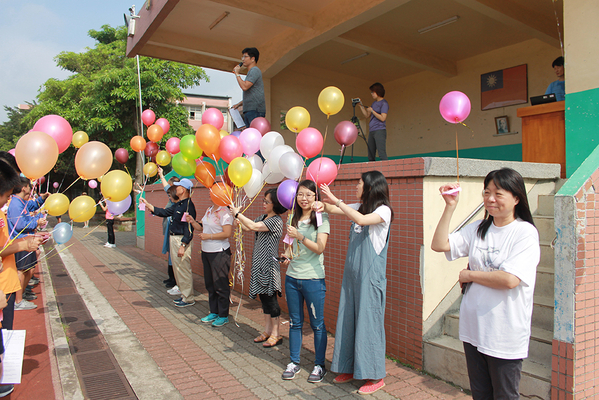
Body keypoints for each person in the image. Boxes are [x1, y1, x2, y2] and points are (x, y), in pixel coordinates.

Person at [431, 168, 540, 399]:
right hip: (474, 330)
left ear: (517, 198)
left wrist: (470, 275)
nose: (490, 199)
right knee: (480, 394)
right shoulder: (479, 229)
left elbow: (510, 279)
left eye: (498, 194)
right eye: (487, 192)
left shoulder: (524, 233)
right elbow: (440, 245)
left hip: (504, 333)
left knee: (504, 395)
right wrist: (450, 207)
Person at [316, 171, 393, 395]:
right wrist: (323, 205)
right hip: (352, 276)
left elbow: (359, 220)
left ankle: (376, 376)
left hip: (370, 278)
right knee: (348, 319)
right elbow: (335, 209)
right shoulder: (360, 207)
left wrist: (336, 200)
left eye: (359, 183)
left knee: (369, 323)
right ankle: (350, 368)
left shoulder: (383, 211)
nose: (356, 187)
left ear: (370, 186)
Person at [280, 180, 330, 383]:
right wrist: (285, 255)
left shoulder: (321, 218)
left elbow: (320, 248)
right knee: (295, 322)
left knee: (317, 325)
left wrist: (300, 236)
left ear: (316, 197)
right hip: (292, 278)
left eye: (309, 195)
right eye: (301, 194)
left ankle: (319, 365)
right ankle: (294, 362)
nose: (304, 198)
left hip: (313, 279)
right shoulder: (292, 217)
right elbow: (289, 245)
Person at [230, 188, 286, 347]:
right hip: (258, 263)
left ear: (275, 204)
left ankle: (276, 333)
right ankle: (267, 330)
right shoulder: (263, 217)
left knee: (271, 299)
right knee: (264, 299)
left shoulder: (276, 220)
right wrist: (239, 221)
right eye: (264, 200)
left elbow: (254, 227)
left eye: (266, 201)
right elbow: (249, 227)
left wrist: (237, 214)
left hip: (269, 264)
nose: (263, 203)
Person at [140, 178, 197, 307]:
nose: (175, 188)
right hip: (174, 238)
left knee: (183, 269)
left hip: (181, 240)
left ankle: (188, 298)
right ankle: (184, 295)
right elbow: (164, 212)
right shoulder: (178, 204)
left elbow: (189, 228)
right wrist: (148, 204)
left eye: (178, 187)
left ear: (183, 189)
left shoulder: (188, 206)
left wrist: (183, 245)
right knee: (177, 269)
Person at [186, 198, 233, 327]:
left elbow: (227, 233)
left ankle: (223, 315)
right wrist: (192, 221)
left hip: (219, 251)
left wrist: (209, 237)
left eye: (212, 192)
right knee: (210, 283)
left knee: (220, 283)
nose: (210, 195)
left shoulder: (225, 212)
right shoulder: (209, 210)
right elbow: (201, 227)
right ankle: (214, 311)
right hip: (206, 251)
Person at [7, 177, 48, 310]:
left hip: (27, 240)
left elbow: (31, 206)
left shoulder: (21, 202)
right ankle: (18, 301)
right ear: (24, 188)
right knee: (22, 270)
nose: (31, 189)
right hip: (21, 242)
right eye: (30, 187)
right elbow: (20, 225)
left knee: (28, 270)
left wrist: (42, 199)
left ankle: (21, 295)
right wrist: (36, 222)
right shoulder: (15, 204)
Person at [157, 167, 180, 289]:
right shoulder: (172, 198)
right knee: (170, 254)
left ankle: (174, 280)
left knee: (173, 255)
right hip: (169, 229)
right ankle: (171, 278)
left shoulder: (176, 199)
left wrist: (161, 175)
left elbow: (166, 188)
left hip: (173, 230)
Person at [232, 47, 266, 128]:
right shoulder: (251, 72)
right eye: (242, 57)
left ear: (252, 59)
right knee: (251, 136)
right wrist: (239, 104)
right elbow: (252, 95)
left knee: (254, 136)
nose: (243, 59)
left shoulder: (254, 70)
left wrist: (237, 74)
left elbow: (244, 87)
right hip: (250, 110)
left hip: (255, 110)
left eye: (245, 56)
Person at [359, 83, 389, 161]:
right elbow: (366, 115)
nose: (371, 94)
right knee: (371, 154)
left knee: (381, 153)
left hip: (379, 130)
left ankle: (386, 171)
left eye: (373, 92)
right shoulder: (374, 103)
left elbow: (383, 118)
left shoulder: (384, 103)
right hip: (372, 130)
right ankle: (372, 172)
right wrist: (361, 106)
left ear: (378, 92)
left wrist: (372, 111)